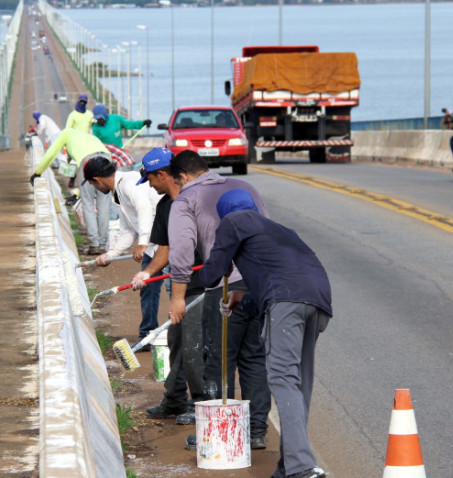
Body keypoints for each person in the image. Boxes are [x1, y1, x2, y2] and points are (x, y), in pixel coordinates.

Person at [199, 189, 332, 478]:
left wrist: (222, 260)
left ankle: (302, 468)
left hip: (287, 301)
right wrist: (239, 297)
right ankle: (289, 467)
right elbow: (273, 276)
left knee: (283, 379)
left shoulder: (234, 222)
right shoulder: (279, 230)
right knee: (298, 384)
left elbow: (211, 274)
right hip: (318, 299)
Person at [166, 150, 270, 449]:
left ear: (182, 177)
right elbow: (266, 231)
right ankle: (256, 431)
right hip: (260, 284)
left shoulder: (187, 199)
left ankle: (216, 432)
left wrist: (178, 298)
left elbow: (183, 252)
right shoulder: (246, 188)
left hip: (225, 288)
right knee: (254, 358)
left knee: (219, 361)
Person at [131, 148, 208, 421]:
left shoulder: (199, 200)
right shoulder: (165, 206)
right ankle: (175, 399)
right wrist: (148, 273)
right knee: (177, 341)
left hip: (204, 284)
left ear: (163, 174)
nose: (150, 185)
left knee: (194, 346)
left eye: (151, 179)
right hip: (180, 284)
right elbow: (164, 249)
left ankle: (202, 406)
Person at [85, 156, 162, 345]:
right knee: (147, 288)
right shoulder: (117, 192)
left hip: (167, 242)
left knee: (175, 287)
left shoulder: (129, 182)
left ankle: (178, 339)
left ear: (97, 179)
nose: (95, 189)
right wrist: (110, 254)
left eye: (92, 185)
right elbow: (128, 229)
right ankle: (148, 335)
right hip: (152, 246)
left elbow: (144, 208)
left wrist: (142, 242)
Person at [30, 128, 112, 255]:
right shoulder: (89, 136)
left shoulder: (66, 133)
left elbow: (51, 154)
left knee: (88, 204)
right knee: (104, 205)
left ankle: (94, 245)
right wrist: (77, 194)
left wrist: (38, 172)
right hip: (106, 159)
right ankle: (103, 245)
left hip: (88, 161)